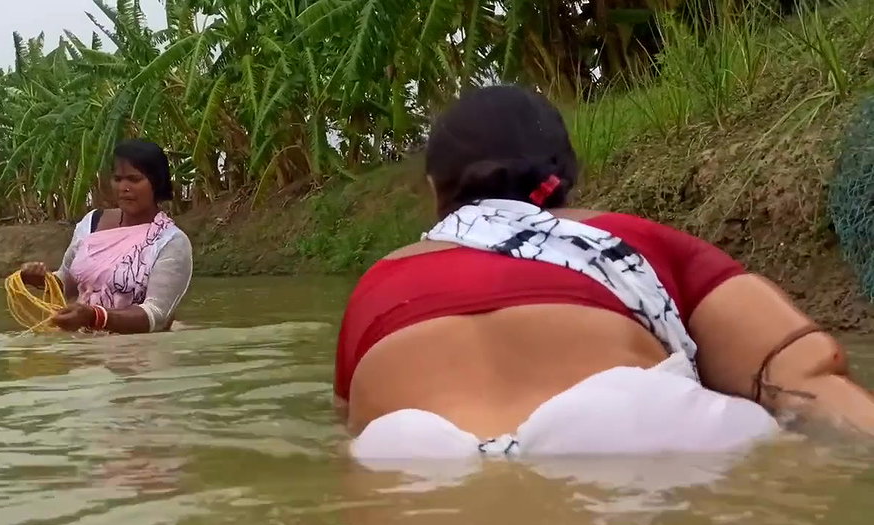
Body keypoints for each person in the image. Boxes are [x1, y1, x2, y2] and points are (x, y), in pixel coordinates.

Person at [335, 84, 874, 465]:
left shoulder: (378, 285)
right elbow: (804, 373)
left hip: (410, 456)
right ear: (566, 175)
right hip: (625, 428)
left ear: (434, 189)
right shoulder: (633, 240)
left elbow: (346, 422)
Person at [19, 139, 193, 334]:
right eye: (118, 179)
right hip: (82, 350)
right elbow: (66, 283)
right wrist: (39, 280)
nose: (124, 187)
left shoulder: (171, 242)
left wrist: (95, 316)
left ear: (157, 183)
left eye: (134, 179)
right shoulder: (92, 222)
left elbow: (156, 315)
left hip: (137, 357)